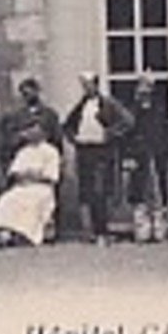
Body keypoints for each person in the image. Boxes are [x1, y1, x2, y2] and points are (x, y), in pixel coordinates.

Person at [63, 71, 134, 243]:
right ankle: (92, 230)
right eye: (84, 85)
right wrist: (74, 138)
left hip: (102, 151)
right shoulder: (81, 105)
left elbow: (128, 121)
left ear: (96, 85)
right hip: (84, 150)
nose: (86, 88)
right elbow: (67, 125)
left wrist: (109, 134)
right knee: (87, 191)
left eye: (89, 84)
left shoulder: (108, 104)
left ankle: (103, 229)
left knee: (100, 190)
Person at [0, 123, 62, 246]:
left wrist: (34, 176)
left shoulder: (51, 151)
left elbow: (51, 176)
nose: (30, 133)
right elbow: (15, 173)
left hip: (41, 188)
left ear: (44, 133)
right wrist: (27, 175)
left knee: (31, 201)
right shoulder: (23, 152)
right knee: (8, 199)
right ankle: (7, 233)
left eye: (35, 130)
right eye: (29, 130)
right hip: (22, 186)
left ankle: (26, 235)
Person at [124, 75, 168, 243]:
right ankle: (142, 230)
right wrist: (129, 155)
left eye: (148, 88)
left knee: (159, 192)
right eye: (141, 88)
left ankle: (159, 229)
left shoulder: (160, 110)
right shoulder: (131, 112)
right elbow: (126, 135)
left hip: (157, 155)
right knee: (139, 194)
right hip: (139, 156)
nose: (144, 92)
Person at [2, 77, 63, 161]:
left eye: (30, 92)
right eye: (24, 94)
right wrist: (23, 135)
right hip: (25, 157)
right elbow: (10, 138)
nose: (27, 96)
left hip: (45, 157)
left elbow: (57, 138)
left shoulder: (50, 114)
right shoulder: (17, 116)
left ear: (37, 91)